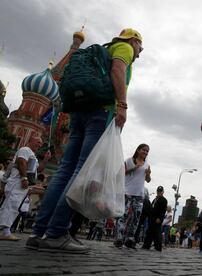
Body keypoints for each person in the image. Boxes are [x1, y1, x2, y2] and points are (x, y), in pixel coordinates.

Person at [26, 28, 143, 253]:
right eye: (141, 46)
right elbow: (118, 69)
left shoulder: (105, 49)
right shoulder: (124, 48)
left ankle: (38, 231)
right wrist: (122, 105)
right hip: (99, 112)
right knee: (81, 171)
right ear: (133, 40)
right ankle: (57, 233)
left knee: (64, 171)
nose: (140, 52)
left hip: (79, 112)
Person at [0, 136, 49, 241]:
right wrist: (24, 178)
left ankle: (6, 231)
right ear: (30, 141)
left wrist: (45, 160)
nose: (39, 145)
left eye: (41, 143)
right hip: (17, 182)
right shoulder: (25, 150)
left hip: (22, 185)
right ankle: (6, 232)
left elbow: (38, 170)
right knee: (11, 205)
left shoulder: (32, 155)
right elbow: (21, 162)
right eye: (38, 142)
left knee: (13, 206)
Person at [114, 143, 151, 249]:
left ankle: (129, 239)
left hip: (139, 194)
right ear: (138, 150)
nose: (145, 152)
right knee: (123, 216)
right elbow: (121, 173)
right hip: (127, 192)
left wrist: (148, 174)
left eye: (147, 151)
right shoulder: (129, 161)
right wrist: (134, 168)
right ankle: (119, 238)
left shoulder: (147, 165)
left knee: (136, 218)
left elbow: (148, 180)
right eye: (144, 150)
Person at [142, 186, 167, 251]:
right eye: (158, 191)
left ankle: (158, 247)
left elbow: (163, 211)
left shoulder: (164, 200)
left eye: (160, 191)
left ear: (163, 192)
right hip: (152, 218)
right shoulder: (155, 199)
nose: (159, 192)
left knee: (157, 233)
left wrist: (160, 218)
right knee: (149, 232)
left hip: (157, 218)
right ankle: (146, 245)